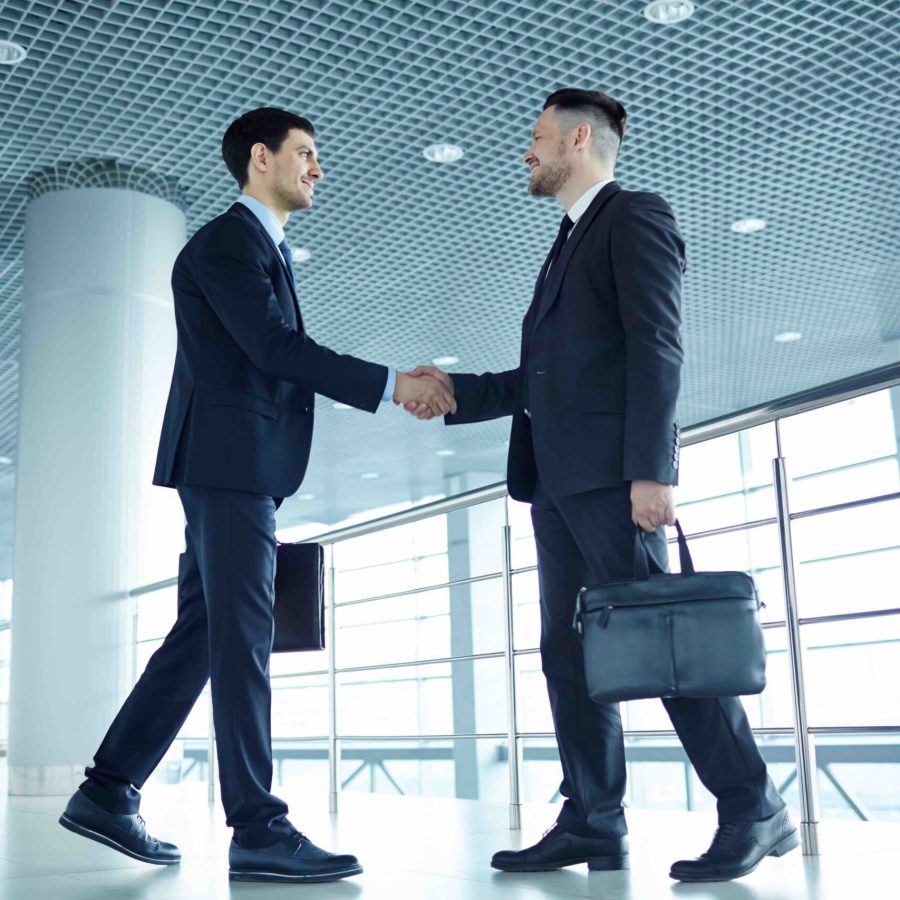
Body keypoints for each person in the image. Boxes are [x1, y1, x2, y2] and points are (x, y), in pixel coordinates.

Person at [408, 88, 797, 883]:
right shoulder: (566, 243)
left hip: (613, 481)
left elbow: (658, 343)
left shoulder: (633, 217)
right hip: (556, 485)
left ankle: (753, 806)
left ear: (578, 139)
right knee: (567, 655)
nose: (527, 151)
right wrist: (455, 392)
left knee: (664, 647)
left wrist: (654, 469)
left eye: (536, 138)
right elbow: (547, 377)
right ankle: (592, 819)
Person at [59, 106, 455, 885]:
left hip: (235, 465)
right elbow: (274, 348)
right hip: (230, 465)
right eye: (307, 153)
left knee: (206, 636)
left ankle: (108, 790)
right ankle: (257, 827)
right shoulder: (226, 243)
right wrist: (390, 385)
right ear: (261, 158)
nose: (318, 168)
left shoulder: (257, 248)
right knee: (241, 640)